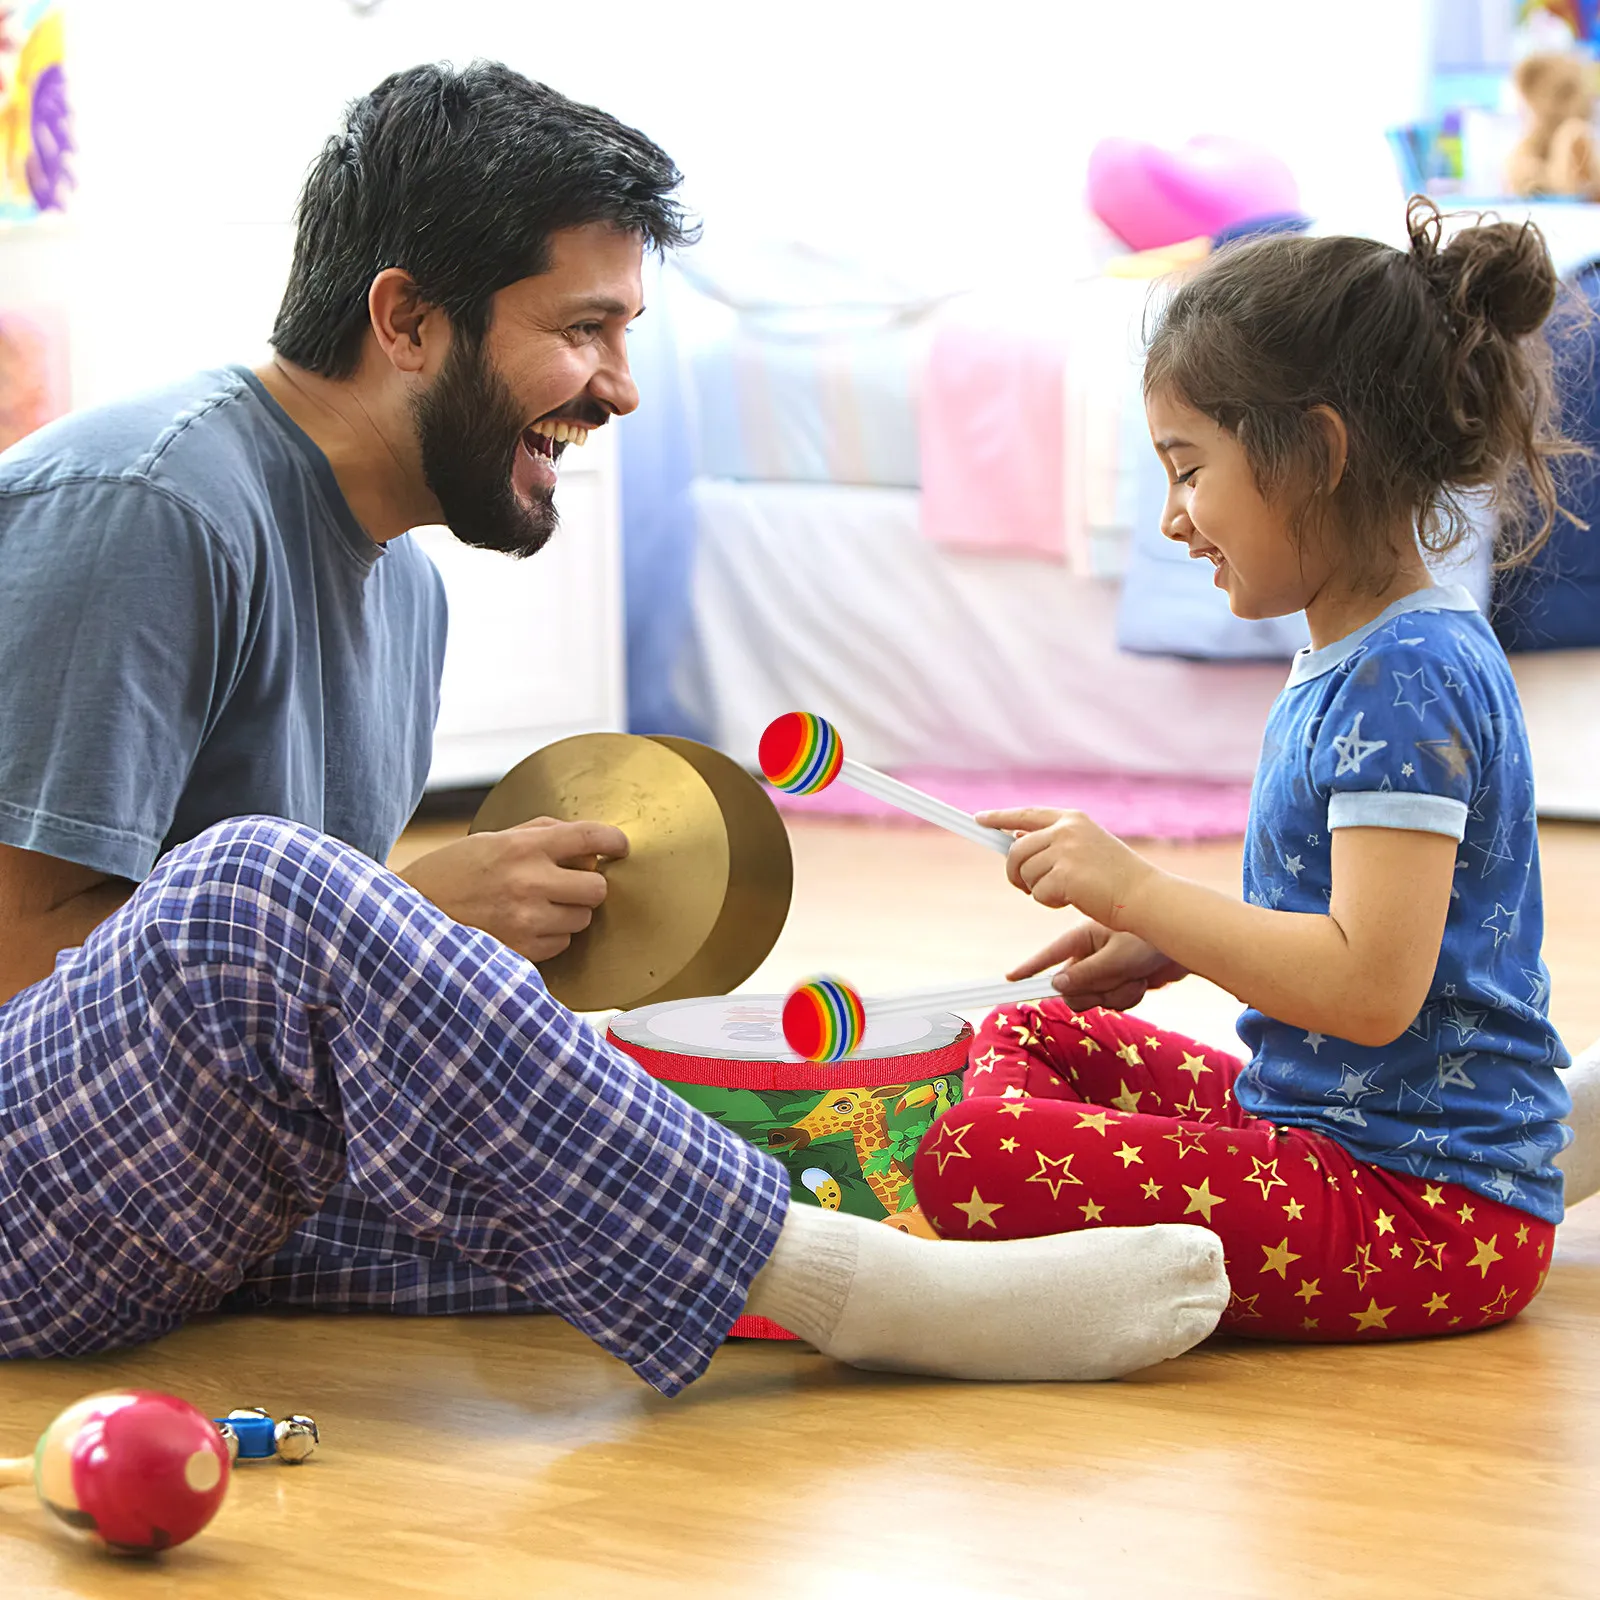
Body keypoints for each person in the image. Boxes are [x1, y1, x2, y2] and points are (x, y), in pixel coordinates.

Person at [0, 62, 1228, 1391]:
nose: (623, 388)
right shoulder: (147, 502)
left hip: (209, 1201)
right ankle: (866, 1298)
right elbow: (26, 973)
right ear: (406, 321)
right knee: (262, 891)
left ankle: (1033, 1222)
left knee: (715, 1117)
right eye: (585, 329)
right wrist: (414, 917)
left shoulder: (403, 588)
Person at [914, 199, 1596, 1341]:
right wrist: (1170, 938)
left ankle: (1077, 1282)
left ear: (1318, 452)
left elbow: (1367, 991)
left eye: (1188, 470)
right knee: (1021, 1033)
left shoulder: (1406, 674)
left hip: (1427, 1210)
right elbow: (1353, 933)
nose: (1175, 519)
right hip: (1330, 1133)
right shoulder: (1364, 650)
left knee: (968, 1151)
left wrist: (1139, 889)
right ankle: (1123, 1240)